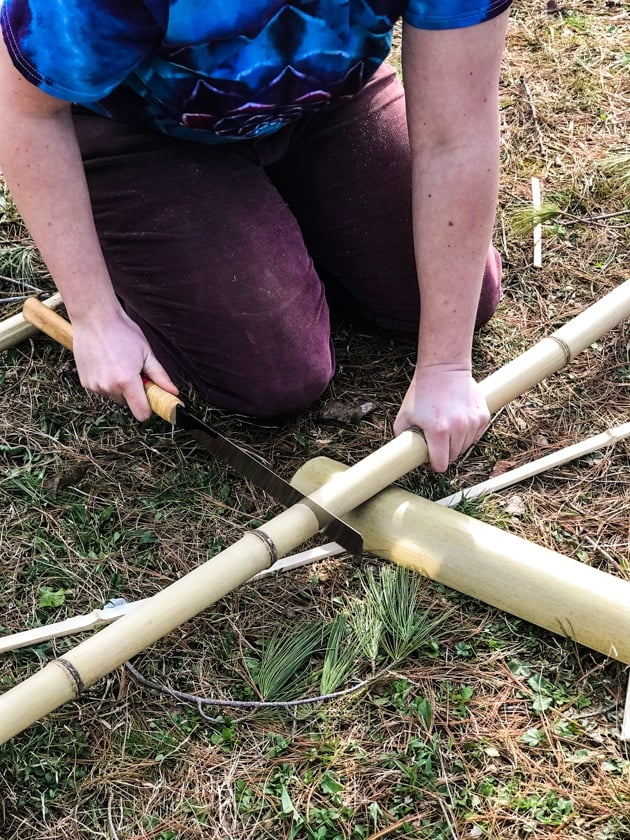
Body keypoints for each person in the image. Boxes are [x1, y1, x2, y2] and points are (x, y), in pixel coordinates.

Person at [0, 1, 511, 473]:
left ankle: (268, 204)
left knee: (462, 293)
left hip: (320, 96)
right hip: (139, 132)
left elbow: (455, 139)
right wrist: (94, 316)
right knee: (274, 373)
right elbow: (24, 111)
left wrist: (446, 363)